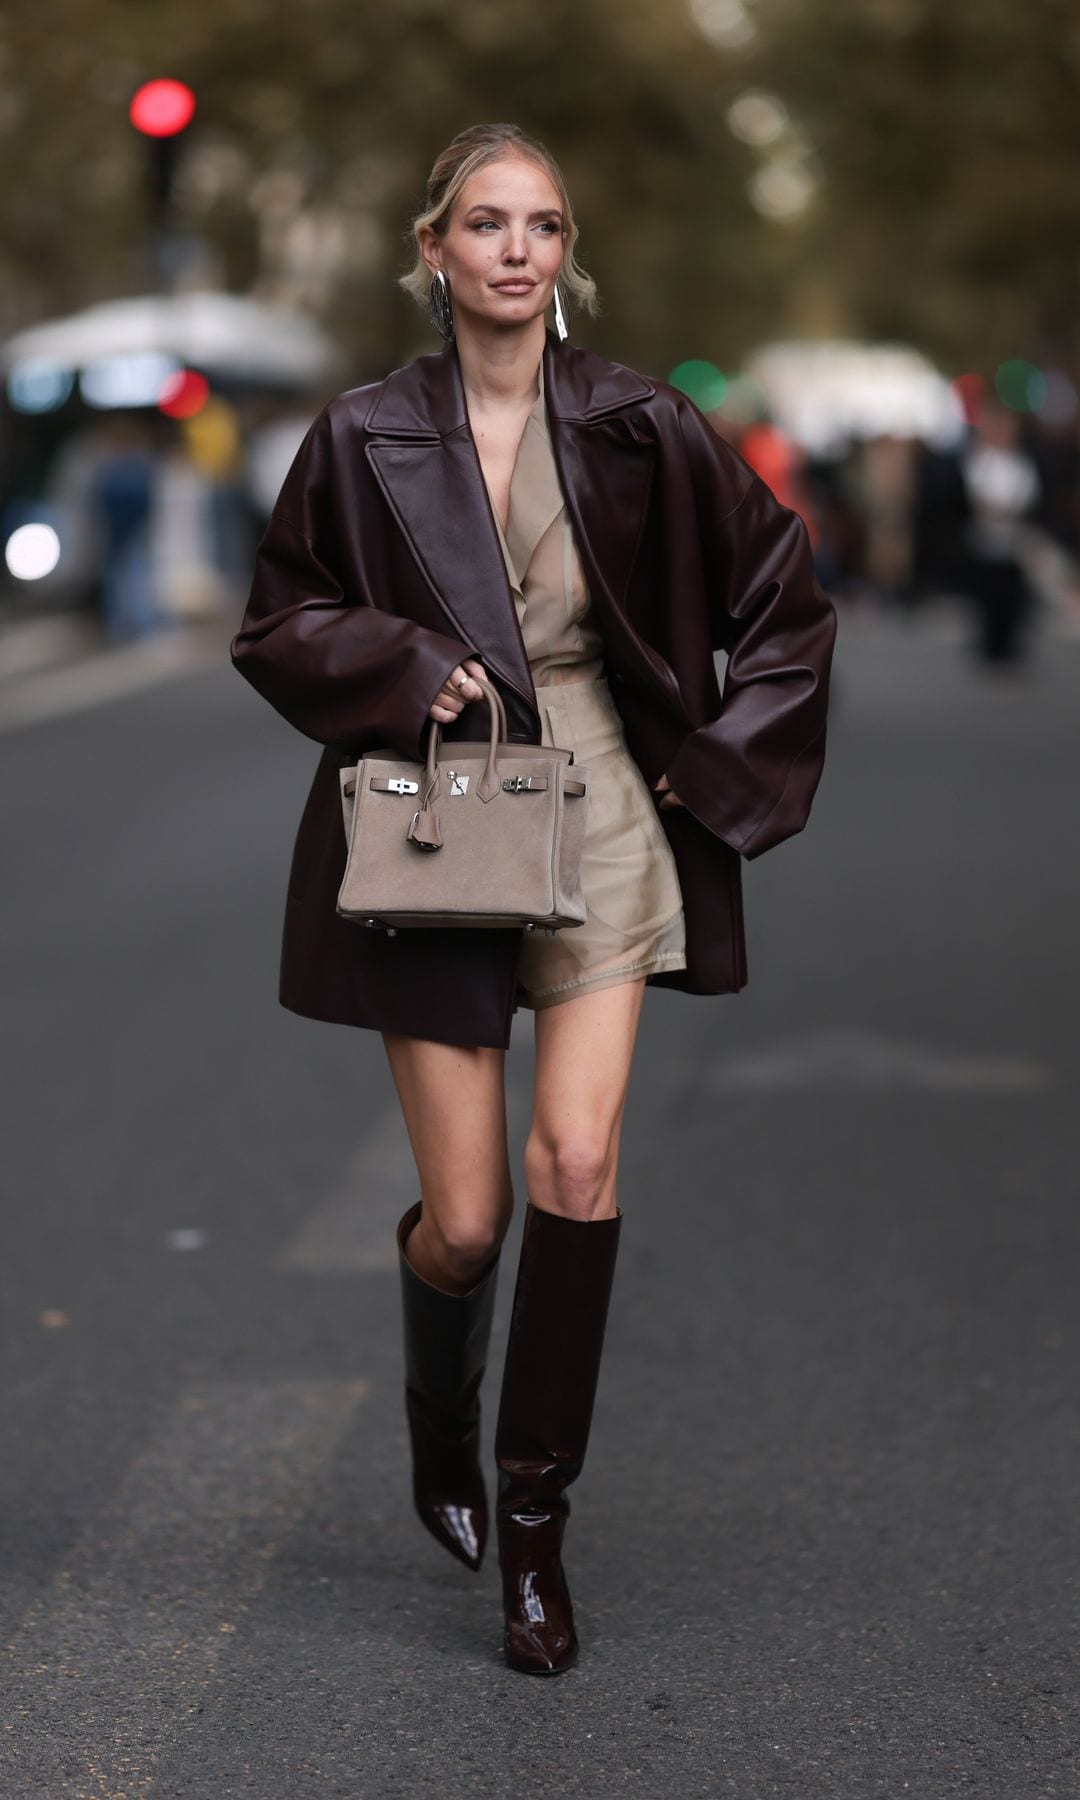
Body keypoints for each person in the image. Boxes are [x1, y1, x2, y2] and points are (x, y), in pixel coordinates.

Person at [230, 123, 838, 1676]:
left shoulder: (646, 425)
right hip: (440, 817)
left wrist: (710, 785)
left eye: (544, 225)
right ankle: (442, 1420)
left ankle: (533, 1534)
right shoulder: (362, 435)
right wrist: (400, 660)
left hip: (610, 812)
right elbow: (279, 617)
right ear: (433, 251)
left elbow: (788, 596)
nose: (515, 249)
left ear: (567, 256)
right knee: (471, 1219)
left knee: (576, 1160)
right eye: (486, 224)